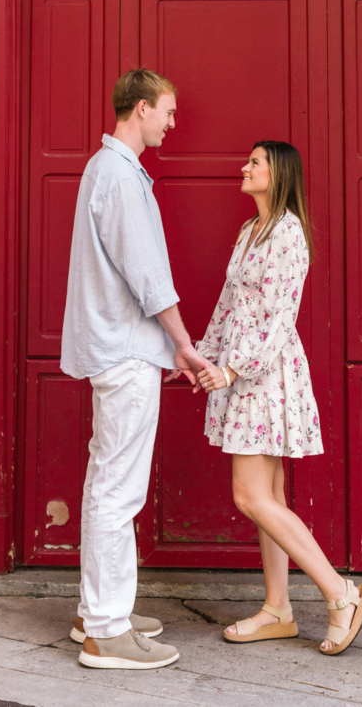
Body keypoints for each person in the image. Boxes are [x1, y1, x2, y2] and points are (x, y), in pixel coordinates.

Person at [195, 140, 362, 656]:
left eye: (255, 162)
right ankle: (278, 608)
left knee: (250, 496)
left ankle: (342, 594)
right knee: (266, 501)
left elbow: (278, 321)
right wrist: (203, 359)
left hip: (264, 378)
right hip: (237, 374)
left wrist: (232, 368)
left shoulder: (288, 233)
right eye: (247, 159)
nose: (244, 166)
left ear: (278, 175)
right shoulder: (250, 231)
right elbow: (228, 305)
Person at [60, 68, 209, 671]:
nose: (173, 123)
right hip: (125, 353)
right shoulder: (120, 177)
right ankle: (105, 631)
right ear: (141, 109)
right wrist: (184, 344)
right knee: (118, 492)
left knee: (106, 485)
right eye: (168, 112)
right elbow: (148, 277)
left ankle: (96, 612)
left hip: (117, 348)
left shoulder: (109, 170)